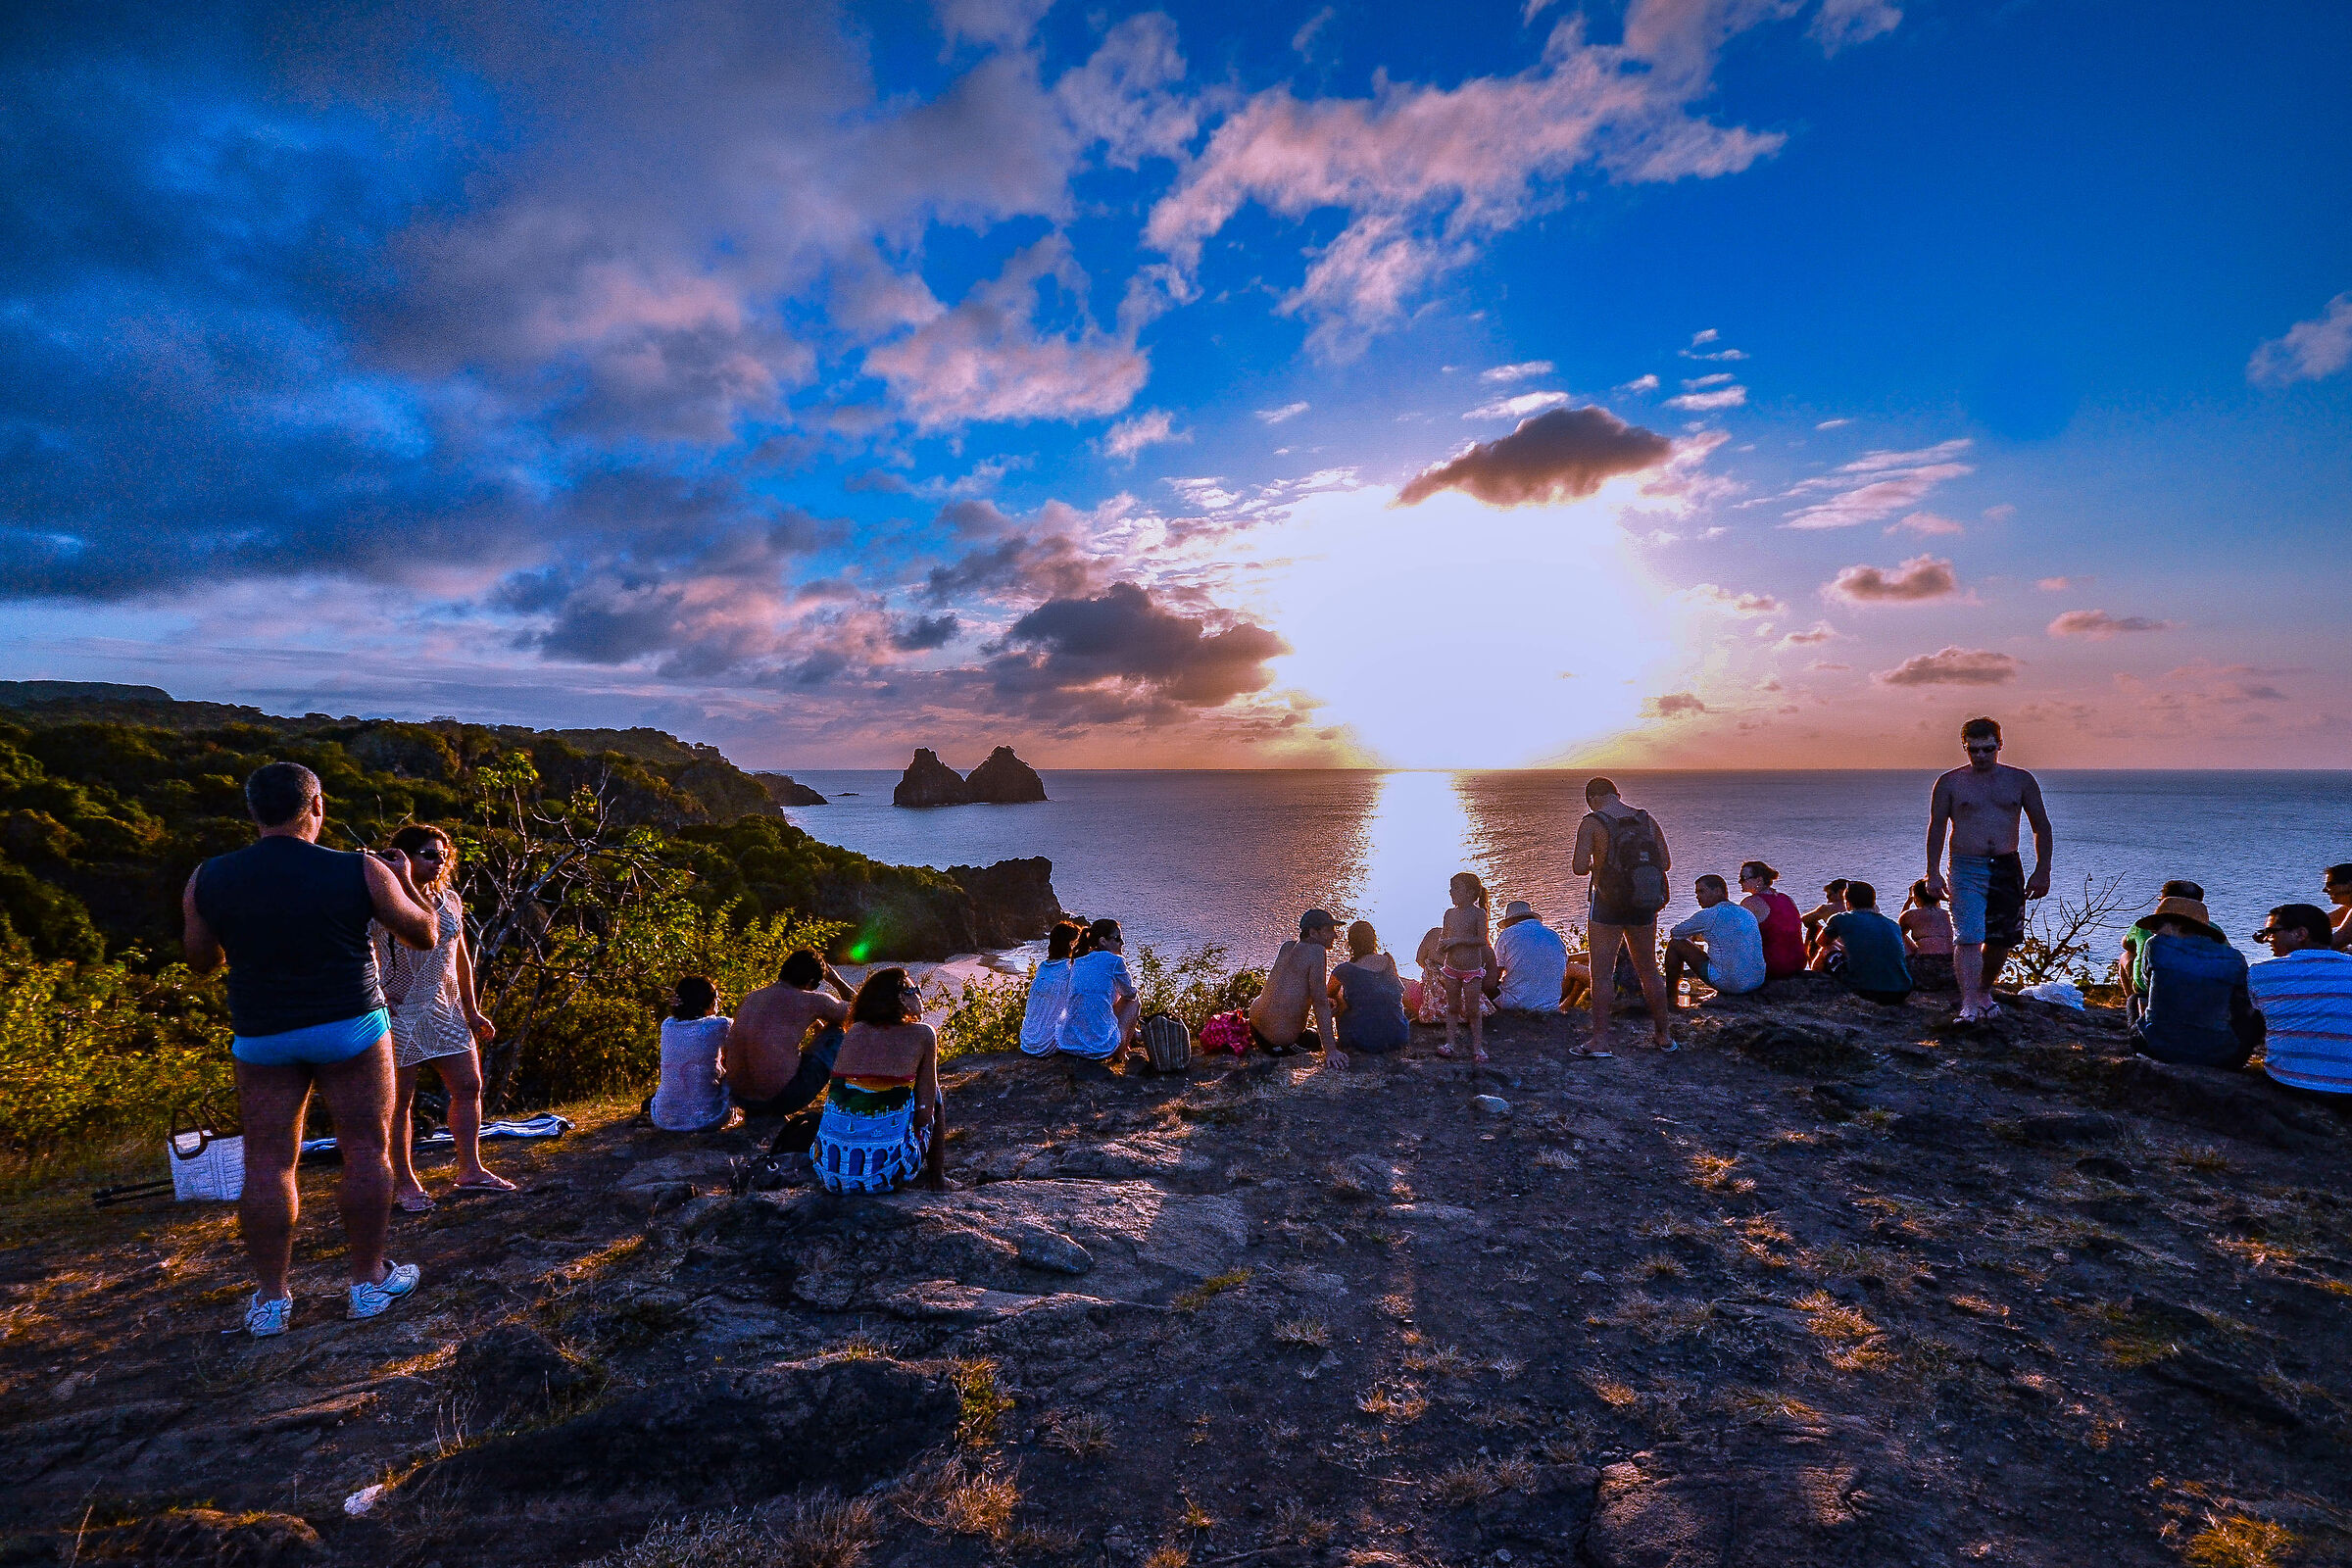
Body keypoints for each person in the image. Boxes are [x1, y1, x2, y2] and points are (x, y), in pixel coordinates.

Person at [181, 760, 441, 1338]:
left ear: (254, 812)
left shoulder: (208, 877)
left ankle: (271, 1301)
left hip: (264, 1032)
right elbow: (424, 933)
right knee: (366, 1150)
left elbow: (201, 960)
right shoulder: (360, 869)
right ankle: (368, 1283)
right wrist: (405, 882)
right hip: (349, 1025)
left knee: (268, 1162)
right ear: (316, 807)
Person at [371, 824, 510, 1214]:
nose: (439, 862)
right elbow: (364, 951)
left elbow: (460, 956)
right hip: (399, 1011)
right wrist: (377, 995)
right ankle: (404, 1182)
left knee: (468, 1086)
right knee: (400, 1101)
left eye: (443, 855)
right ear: (403, 856)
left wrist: (472, 1009)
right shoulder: (382, 900)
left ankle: (471, 1170)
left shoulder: (449, 900)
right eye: (429, 854)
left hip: (445, 1008)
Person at [1925, 716, 2054, 1022]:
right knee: (1968, 934)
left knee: (2001, 938)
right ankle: (1969, 1004)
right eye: (1974, 750)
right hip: (1965, 865)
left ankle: (1983, 992)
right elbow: (1937, 827)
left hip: (2007, 864)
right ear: (1964, 747)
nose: (1981, 755)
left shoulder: (2021, 781)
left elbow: (2041, 826)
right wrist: (1933, 871)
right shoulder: (1949, 782)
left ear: (2000, 745)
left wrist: (2042, 870)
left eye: (1988, 749)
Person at [810, 967, 947, 1192]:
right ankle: (938, 1181)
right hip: (886, 1176)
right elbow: (924, 1116)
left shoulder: (855, 1031)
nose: (920, 997)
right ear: (901, 998)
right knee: (934, 1094)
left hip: (831, 1174)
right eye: (915, 990)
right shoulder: (924, 1034)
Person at [1572, 777, 1674, 1054]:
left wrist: (1598, 864)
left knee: (1602, 973)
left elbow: (1579, 867)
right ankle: (1664, 1036)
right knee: (1649, 969)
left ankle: (1600, 1040)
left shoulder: (1592, 822)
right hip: (1643, 901)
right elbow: (1665, 863)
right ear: (1616, 794)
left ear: (1592, 798)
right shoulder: (1646, 820)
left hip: (1608, 903)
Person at [2126, 896, 2256, 1068]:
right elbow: (2243, 1003)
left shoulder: (2155, 945)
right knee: (2254, 1018)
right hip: (2220, 1057)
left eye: (2157, 926)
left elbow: (2148, 983)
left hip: (2156, 1049)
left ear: (2177, 924)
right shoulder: (2235, 958)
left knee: (2134, 999)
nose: (2153, 932)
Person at [726, 948, 853, 1118]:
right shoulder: (812, 1000)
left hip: (741, 1098)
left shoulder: (752, 997)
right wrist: (837, 981)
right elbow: (858, 1012)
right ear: (810, 982)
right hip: (782, 1099)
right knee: (836, 1032)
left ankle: (759, 1113)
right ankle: (851, 1095)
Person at [2248, 904, 2352, 1095]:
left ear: (2300, 934)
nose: (2267, 939)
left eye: (2271, 932)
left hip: (2291, 1081)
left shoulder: (2261, 973)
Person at [1250, 908, 1346, 1065]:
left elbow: (1288, 987)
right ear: (1313, 933)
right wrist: (1331, 1051)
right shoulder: (1317, 951)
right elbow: (1320, 1003)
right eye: (1329, 930)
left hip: (1255, 1029)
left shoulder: (1287, 946)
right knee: (1315, 1038)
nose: (1335, 935)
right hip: (1277, 1043)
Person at [650, 977, 733, 1133]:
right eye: (715, 996)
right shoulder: (721, 1025)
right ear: (707, 1001)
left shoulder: (667, 1025)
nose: (718, 1001)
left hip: (662, 1118)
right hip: (709, 1118)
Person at [1664, 874, 1766, 1002]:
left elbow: (1676, 933)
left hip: (1731, 984)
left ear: (1718, 891)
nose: (1698, 896)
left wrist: (1693, 936)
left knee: (1675, 944)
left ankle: (1671, 999)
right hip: (1757, 981)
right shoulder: (1746, 912)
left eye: (1702, 891)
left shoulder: (1709, 915)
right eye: (1697, 893)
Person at [1810, 881, 1912, 1006]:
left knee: (1827, 949)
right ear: (1873, 902)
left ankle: (1814, 982)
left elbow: (1821, 942)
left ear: (1848, 903)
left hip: (1867, 990)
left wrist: (1840, 947)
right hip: (1902, 991)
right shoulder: (1893, 924)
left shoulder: (1840, 918)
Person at [1057, 917, 1141, 1065]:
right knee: (1134, 1001)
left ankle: (1132, 1037)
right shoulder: (1115, 961)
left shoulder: (1078, 961)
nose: (1122, 943)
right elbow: (1130, 994)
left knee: (1098, 998)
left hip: (1069, 1044)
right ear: (1103, 941)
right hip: (1099, 1048)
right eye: (1117, 938)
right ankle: (1121, 1054)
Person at [1327, 920, 1409, 1055]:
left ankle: (1339, 1039)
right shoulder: (1388, 960)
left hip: (1363, 1041)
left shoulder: (1344, 970)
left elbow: (1327, 994)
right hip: (1398, 1036)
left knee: (1337, 996)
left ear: (1351, 944)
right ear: (1373, 940)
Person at [2119, 880, 2209, 1002]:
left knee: (2126, 956)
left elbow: (2126, 944)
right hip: (2196, 989)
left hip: (2151, 989)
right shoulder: (2212, 929)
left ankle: (2134, 1002)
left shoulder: (2145, 927)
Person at [1436, 872, 1493, 1063]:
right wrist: (1442, 945)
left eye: (1456, 888)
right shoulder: (1449, 914)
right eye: (1451, 888)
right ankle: (1450, 1043)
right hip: (1451, 967)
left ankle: (1478, 1047)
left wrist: (1457, 940)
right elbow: (1445, 936)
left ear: (1470, 893)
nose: (1451, 892)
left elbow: (1481, 940)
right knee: (1452, 1007)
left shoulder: (1478, 914)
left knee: (1473, 1009)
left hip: (1471, 970)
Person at [1017, 920, 1084, 1056]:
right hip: (1047, 1045)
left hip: (1027, 1042)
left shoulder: (1043, 967)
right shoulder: (1070, 969)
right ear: (1071, 944)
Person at [1493, 901, 1570, 1013]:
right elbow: (1563, 970)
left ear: (1511, 921)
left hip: (1516, 1005)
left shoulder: (1507, 934)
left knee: (1484, 986)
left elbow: (1495, 973)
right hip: (1550, 1006)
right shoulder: (1553, 935)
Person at [1738, 862, 1807, 983]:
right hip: (1798, 962)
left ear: (1759, 880)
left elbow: (1736, 934)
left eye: (1743, 878)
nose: (1740, 882)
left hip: (1773, 966)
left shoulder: (1751, 902)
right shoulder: (1786, 898)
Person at [1898, 878, 1957, 993]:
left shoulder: (1910, 915)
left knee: (1899, 935)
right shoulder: (1948, 915)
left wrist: (1908, 902)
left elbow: (1899, 931)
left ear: (1916, 897)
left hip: (1926, 969)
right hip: (1952, 969)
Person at [1800, 880, 1849, 952]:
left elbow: (1805, 919)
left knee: (1813, 928)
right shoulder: (1862, 908)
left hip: (1841, 951)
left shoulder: (1828, 908)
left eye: (1829, 896)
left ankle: (1806, 955)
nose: (1828, 901)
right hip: (1862, 950)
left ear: (1840, 893)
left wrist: (1819, 927)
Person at [2323, 864, 2352, 951]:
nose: (2325, 890)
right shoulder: (2347, 909)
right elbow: (2319, 922)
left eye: (2330, 884)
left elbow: (2336, 942)